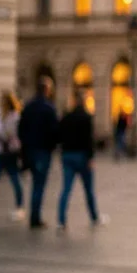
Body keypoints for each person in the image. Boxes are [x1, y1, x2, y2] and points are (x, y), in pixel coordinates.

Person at [57, 91, 107, 230]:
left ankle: (61, 220)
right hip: (82, 156)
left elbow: (59, 135)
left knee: (66, 189)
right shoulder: (86, 117)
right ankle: (94, 217)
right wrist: (91, 158)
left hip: (67, 155)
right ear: (83, 102)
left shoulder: (66, 117)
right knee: (88, 190)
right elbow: (89, 140)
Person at [18, 76, 59, 229]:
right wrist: (52, 147)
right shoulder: (49, 108)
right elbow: (55, 132)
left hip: (30, 150)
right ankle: (35, 218)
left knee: (35, 183)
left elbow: (21, 129)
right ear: (47, 90)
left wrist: (24, 149)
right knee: (38, 185)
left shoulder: (28, 107)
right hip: (42, 151)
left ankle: (34, 215)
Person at [0, 90, 25, 223]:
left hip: (10, 154)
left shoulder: (15, 116)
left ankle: (20, 207)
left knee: (16, 182)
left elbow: (14, 134)